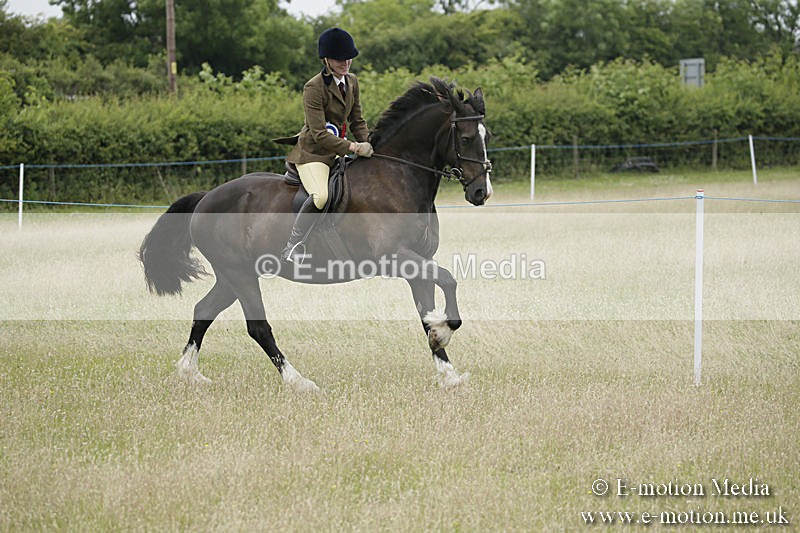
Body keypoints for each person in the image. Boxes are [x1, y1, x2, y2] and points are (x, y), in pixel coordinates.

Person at [280, 27, 373, 262]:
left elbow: (357, 120)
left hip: (338, 153)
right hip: (314, 154)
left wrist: (368, 143)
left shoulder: (352, 82)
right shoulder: (314, 88)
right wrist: (353, 147)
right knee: (321, 196)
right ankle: (293, 245)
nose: (345, 62)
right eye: (339, 59)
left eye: (348, 57)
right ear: (326, 60)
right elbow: (319, 134)